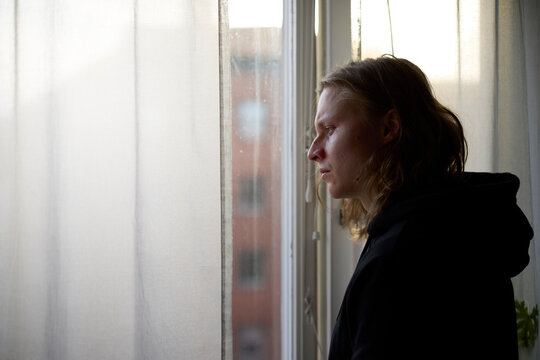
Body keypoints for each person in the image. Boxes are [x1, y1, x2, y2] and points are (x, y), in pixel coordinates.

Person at [307, 55, 534, 359]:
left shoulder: (401, 257)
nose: (313, 151)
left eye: (330, 129)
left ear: (389, 128)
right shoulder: (458, 224)